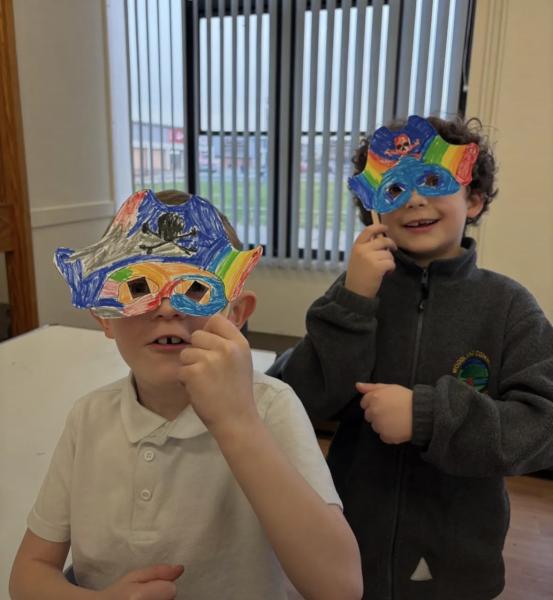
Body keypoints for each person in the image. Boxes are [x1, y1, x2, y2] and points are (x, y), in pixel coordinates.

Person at [9, 189, 363, 600]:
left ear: (236, 314)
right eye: (138, 287)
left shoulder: (271, 408)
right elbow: (28, 574)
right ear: (104, 316)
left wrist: (237, 422)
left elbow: (340, 587)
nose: (166, 309)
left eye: (195, 288)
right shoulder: (88, 418)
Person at [269, 115, 553, 600]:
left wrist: (427, 416)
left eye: (434, 181)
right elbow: (296, 401)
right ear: (374, 209)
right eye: (395, 188)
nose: (415, 199)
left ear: (474, 200)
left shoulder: (508, 306)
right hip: (350, 549)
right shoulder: (355, 291)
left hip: (457, 558)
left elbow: (543, 425)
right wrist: (353, 301)